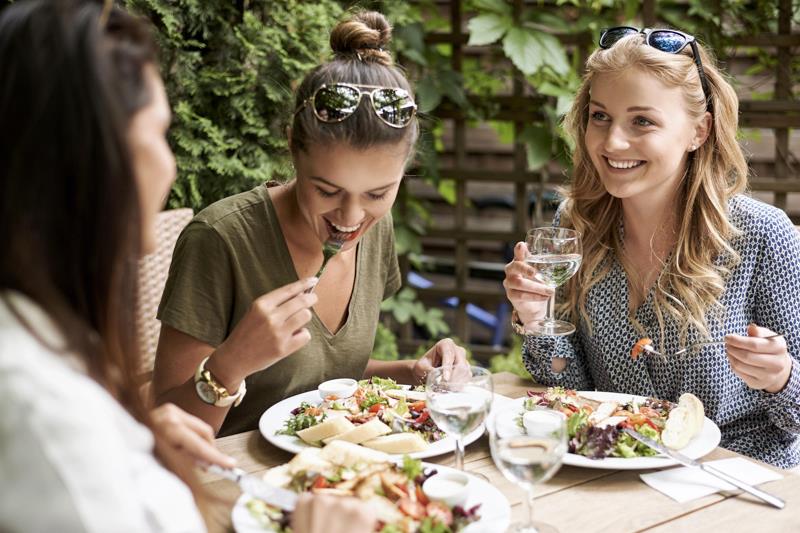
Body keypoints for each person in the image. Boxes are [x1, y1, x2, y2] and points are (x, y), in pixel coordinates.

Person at [0, 1, 376, 531]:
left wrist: (138, 442)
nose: (170, 161)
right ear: (89, 160)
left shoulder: (47, 348)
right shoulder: (44, 414)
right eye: (158, 131)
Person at [152, 10, 468, 437]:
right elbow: (163, 434)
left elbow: (323, 380)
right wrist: (232, 363)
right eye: (327, 190)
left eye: (377, 194)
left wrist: (412, 373)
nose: (351, 219)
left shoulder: (378, 230)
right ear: (293, 149)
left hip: (335, 481)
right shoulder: (220, 238)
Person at [503, 27, 800, 468]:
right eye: (600, 116)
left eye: (642, 121)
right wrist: (535, 319)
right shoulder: (575, 227)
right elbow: (576, 392)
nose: (612, 142)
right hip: (619, 473)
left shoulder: (762, 236)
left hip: (737, 478)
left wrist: (782, 378)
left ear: (699, 130)